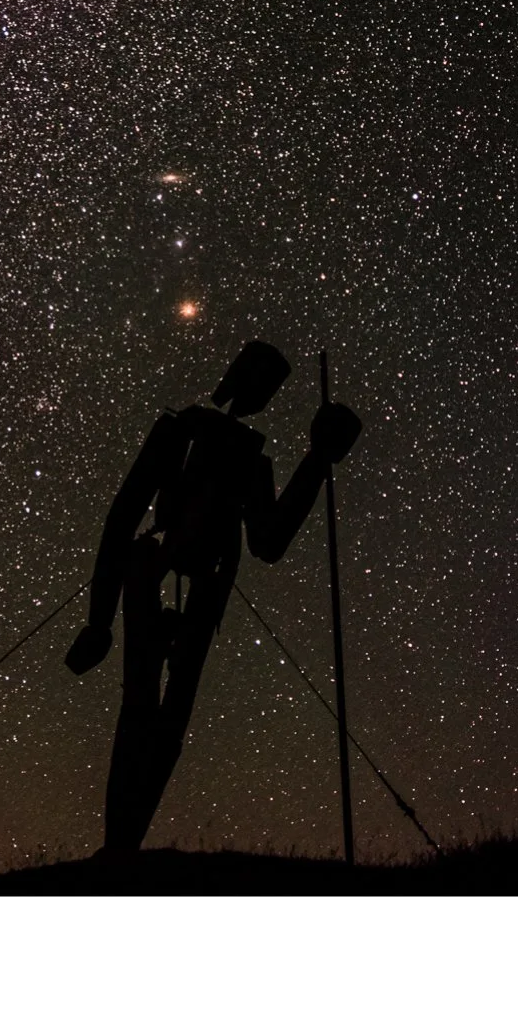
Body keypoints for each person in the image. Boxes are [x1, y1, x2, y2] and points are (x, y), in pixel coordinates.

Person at [66, 339, 360, 855]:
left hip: (209, 584)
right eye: (257, 380)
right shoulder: (179, 431)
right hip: (150, 569)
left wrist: (317, 459)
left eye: (269, 388)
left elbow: (267, 541)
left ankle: (124, 847)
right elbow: (125, 513)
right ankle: (118, 847)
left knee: (172, 714)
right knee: (140, 699)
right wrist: (100, 619)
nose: (261, 395)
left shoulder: (251, 461)